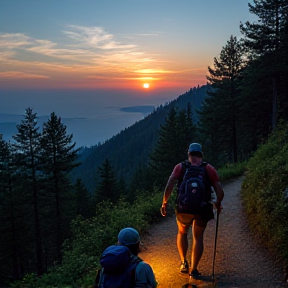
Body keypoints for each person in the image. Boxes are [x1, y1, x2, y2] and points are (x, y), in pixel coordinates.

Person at [160, 143, 224, 279]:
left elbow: (170, 184)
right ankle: (194, 269)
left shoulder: (180, 167)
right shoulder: (208, 168)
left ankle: (184, 262)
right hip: (202, 209)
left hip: (184, 209)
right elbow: (220, 190)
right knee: (198, 237)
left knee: (182, 233)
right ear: (201, 154)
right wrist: (217, 203)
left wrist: (164, 202)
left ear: (189, 154)